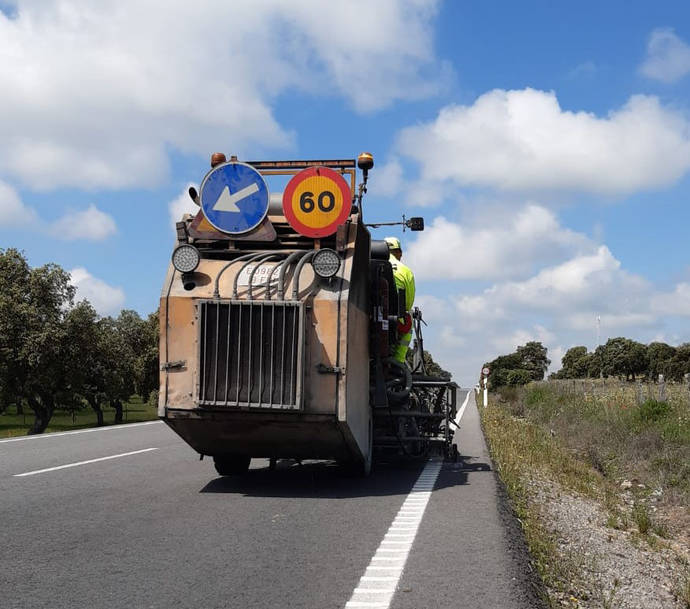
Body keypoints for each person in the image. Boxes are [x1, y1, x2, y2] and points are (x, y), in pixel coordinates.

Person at [384, 237, 415, 364]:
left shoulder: (369, 265)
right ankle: (398, 361)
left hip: (370, 318)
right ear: (399, 252)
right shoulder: (406, 271)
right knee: (408, 323)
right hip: (396, 321)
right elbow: (408, 303)